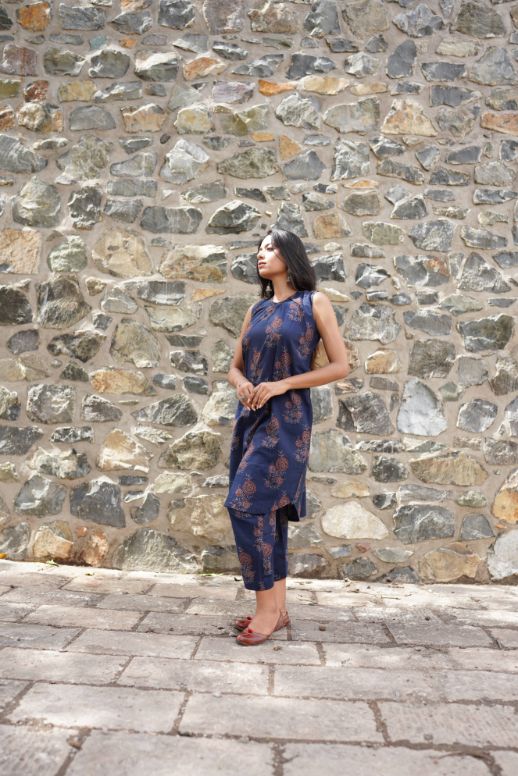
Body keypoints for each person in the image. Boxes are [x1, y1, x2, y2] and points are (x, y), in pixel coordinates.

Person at [224, 228, 350, 646]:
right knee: (269, 514)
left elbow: (340, 366)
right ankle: (277, 610)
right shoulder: (257, 310)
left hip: (287, 422)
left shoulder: (314, 303)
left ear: (290, 255)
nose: (261, 254)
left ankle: (265, 611)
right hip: (250, 419)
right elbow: (234, 367)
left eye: (270, 247)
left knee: (245, 504)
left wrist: (283, 384)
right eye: (259, 249)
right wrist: (242, 384)